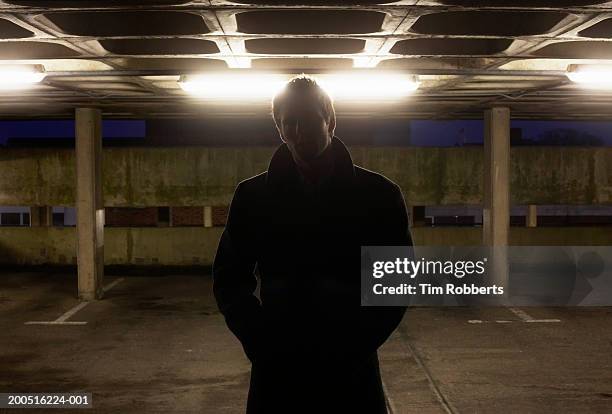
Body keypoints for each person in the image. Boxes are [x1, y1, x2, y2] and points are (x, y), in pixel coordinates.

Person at [213, 75, 412, 413]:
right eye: (287, 123)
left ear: (330, 121)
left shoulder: (379, 195)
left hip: (350, 367)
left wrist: (357, 343)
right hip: (279, 366)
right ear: (279, 129)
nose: (297, 131)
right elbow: (230, 278)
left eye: (305, 120)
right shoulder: (252, 196)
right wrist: (260, 341)